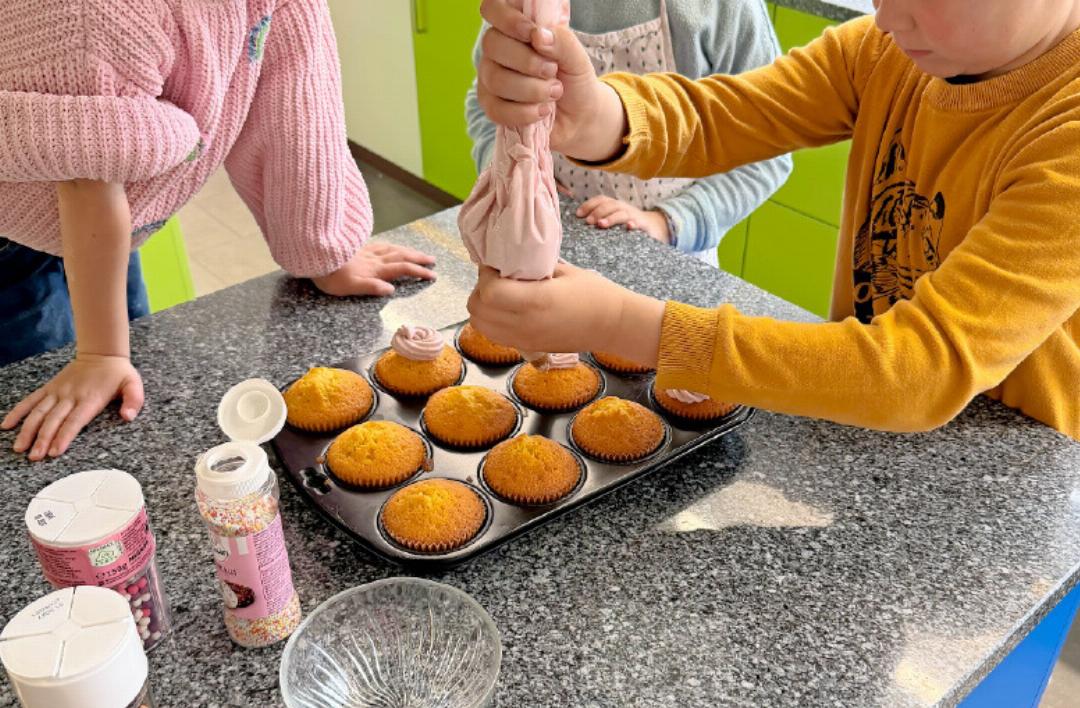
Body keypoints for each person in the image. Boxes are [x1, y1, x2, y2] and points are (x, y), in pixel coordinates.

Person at [467, 0, 1080, 440]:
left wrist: (619, 323)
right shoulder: (883, 52)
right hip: (860, 419)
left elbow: (920, 368)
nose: (887, 16)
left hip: (1011, 472)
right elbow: (727, 116)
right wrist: (594, 114)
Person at [0, 0, 437, 461]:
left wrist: (323, 251)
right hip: (17, 238)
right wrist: (100, 354)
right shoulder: (88, 18)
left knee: (130, 371)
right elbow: (85, 167)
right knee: (48, 413)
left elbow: (290, 82)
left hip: (110, 216)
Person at [465, 0, 791, 266]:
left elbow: (766, 157)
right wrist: (516, 177)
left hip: (670, 262)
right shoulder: (527, 8)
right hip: (549, 246)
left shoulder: (721, 8)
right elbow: (489, 103)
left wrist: (670, 221)